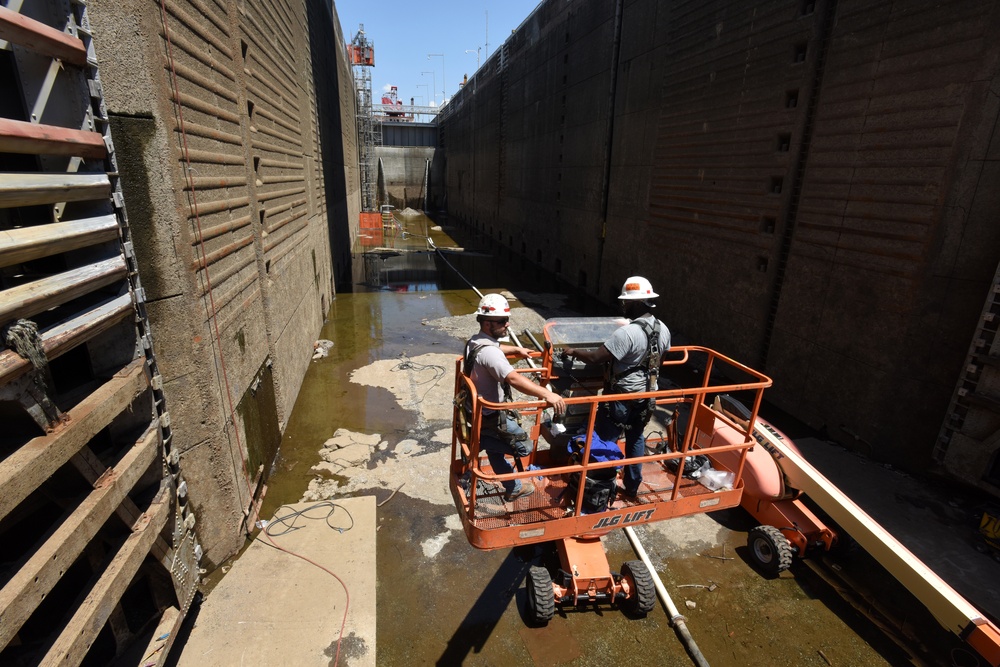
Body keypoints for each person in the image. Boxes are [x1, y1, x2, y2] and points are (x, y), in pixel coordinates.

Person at [562, 276, 670, 499]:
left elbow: (595, 358)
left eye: (626, 302)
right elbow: (660, 362)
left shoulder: (626, 333)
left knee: (604, 440)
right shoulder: (664, 330)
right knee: (635, 437)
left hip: (620, 399)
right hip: (647, 397)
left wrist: (572, 352)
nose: (623, 306)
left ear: (638, 303)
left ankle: (597, 488)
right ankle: (631, 487)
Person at [464, 294, 567, 501]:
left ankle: (513, 486)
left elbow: (494, 348)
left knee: (497, 454)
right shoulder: (491, 354)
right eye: (502, 321)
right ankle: (481, 442)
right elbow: (513, 379)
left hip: (474, 411)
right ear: (486, 323)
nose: (507, 324)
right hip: (491, 416)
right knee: (524, 447)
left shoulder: (474, 342)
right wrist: (548, 394)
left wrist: (517, 349)